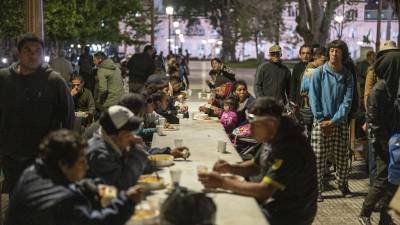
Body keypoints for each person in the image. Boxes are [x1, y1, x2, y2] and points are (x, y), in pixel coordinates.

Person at [198, 97, 317, 225]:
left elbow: (264, 191)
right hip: (276, 202)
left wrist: (222, 182)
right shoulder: (274, 133)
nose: (251, 130)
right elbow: (256, 166)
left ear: (270, 124)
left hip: (291, 214)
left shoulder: (290, 147)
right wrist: (229, 168)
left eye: (254, 125)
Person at [5, 129, 143, 225]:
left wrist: (104, 191)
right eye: (82, 162)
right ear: (64, 164)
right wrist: (127, 201)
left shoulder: (35, 170)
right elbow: (96, 222)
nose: (87, 167)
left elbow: (77, 186)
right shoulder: (63, 200)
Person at [0, 33, 75, 193]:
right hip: (11, 156)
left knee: (42, 201)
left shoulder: (54, 80)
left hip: (43, 156)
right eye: (28, 50)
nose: (33, 55)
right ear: (18, 53)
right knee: (16, 200)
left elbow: (68, 116)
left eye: (38, 51)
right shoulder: (4, 78)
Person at [358, 42, 400, 225]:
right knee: (383, 178)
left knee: (394, 181)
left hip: (394, 140)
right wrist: (384, 145)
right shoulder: (379, 89)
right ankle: (364, 214)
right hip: (383, 141)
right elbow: (373, 122)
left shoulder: (394, 87)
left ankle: (386, 218)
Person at [309, 40, 354, 201]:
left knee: (342, 157)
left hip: (339, 122)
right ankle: (317, 189)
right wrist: (322, 119)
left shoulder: (347, 74)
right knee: (318, 158)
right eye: (332, 50)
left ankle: (342, 184)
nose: (334, 53)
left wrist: (334, 120)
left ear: (343, 53)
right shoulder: (319, 73)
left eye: (338, 51)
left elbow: (347, 101)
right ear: (328, 53)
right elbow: (313, 98)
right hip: (321, 122)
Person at [86, 105, 151, 190]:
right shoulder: (99, 154)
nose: (132, 138)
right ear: (113, 136)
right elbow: (124, 184)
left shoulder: (114, 142)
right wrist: (137, 150)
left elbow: (147, 167)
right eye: (128, 135)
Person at [299, 47, 327, 136]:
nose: (325, 63)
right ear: (316, 58)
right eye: (323, 61)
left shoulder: (315, 69)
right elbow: (305, 90)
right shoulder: (312, 70)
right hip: (311, 108)